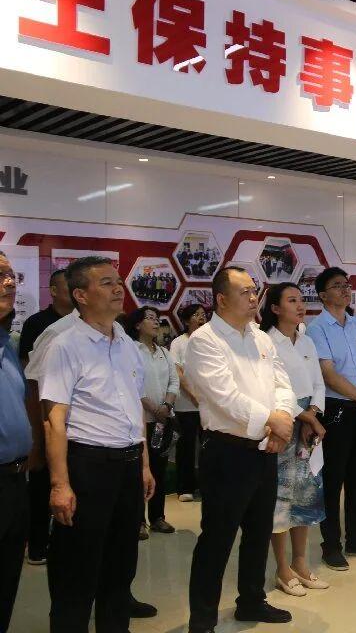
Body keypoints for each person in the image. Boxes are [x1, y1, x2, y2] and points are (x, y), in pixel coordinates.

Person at [40, 256, 156, 632]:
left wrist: (143, 464)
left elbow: (134, 406)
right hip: (87, 465)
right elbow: (54, 419)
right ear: (81, 295)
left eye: (118, 281)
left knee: (120, 566)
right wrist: (60, 484)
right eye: (106, 283)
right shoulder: (65, 344)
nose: (118, 288)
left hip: (127, 464)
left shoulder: (126, 343)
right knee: (77, 568)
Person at [185, 266, 299, 631]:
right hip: (228, 452)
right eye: (245, 292)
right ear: (221, 299)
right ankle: (203, 618)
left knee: (258, 531)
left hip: (266, 447)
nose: (253, 298)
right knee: (217, 538)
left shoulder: (260, 337)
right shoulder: (204, 340)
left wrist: (282, 418)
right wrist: (273, 420)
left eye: (255, 291)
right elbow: (224, 397)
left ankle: (251, 601)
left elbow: (282, 383)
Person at [305, 267, 356, 571]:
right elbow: (327, 373)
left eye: (346, 284)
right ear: (323, 295)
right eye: (337, 286)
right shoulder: (317, 328)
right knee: (333, 479)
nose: (344, 289)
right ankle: (331, 545)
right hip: (338, 410)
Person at [259, 283, 330, 597]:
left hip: (309, 423)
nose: (300, 305)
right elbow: (272, 389)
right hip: (283, 423)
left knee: (307, 495)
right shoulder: (266, 341)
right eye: (292, 300)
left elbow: (318, 383)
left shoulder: (307, 340)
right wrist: (304, 417)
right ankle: (282, 568)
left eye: (301, 300)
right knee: (281, 498)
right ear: (275, 308)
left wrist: (313, 414)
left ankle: (301, 562)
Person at [18, 268, 73, 566]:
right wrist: (36, 437)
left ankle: (63, 545)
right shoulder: (38, 324)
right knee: (41, 485)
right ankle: (37, 545)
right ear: (53, 290)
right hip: (44, 413)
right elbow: (30, 378)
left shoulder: (83, 323)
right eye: (68, 285)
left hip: (73, 424)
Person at [126, 306, 180, 538]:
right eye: (150, 318)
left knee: (159, 468)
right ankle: (138, 520)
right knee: (139, 470)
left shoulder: (164, 353)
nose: (156, 322)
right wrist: (152, 408)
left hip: (163, 420)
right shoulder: (130, 350)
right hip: (141, 421)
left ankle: (158, 517)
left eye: (157, 319)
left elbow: (174, 382)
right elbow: (132, 384)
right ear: (138, 324)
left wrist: (166, 406)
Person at [0, 252, 32, 632]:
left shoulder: (8, 343)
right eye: (0, 275)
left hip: (14, 481)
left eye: (11, 274)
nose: (10, 282)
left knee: (7, 581)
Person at [169, 303, 207, 502]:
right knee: (186, 447)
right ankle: (185, 487)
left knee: (209, 447)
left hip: (209, 405)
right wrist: (193, 395)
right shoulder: (179, 343)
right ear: (185, 320)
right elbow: (178, 372)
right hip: (186, 405)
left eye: (203, 314)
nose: (201, 318)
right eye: (196, 315)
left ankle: (208, 485)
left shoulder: (210, 341)